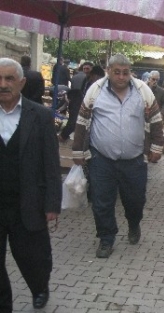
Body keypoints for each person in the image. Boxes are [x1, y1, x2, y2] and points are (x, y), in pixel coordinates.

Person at [71, 54, 164, 259]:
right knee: (102, 201)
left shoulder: (142, 91)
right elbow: (81, 121)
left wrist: (157, 147)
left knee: (135, 200)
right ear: (108, 71)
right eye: (117, 72)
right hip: (101, 159)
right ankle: (106, 239)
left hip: (135, 160)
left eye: (125, 72)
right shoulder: (95, 91)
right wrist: (78, 151)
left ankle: (133, 223)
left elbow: (156, 120)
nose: (121, 77)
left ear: (130, 72)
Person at [0, 58, 62, 311]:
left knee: (33, 259)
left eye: (9, 79)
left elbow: (51, 162)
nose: (3, 84)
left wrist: (52, 204)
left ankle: (40, 286)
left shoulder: (40, 116)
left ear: (22, 83)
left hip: (28, 202)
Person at [59, 62, 95, 142]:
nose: (85, 70)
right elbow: (82, 90)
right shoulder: (86, 79)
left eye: (87, 69)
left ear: (92, 69)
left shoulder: (93, 80)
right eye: (84, 69)